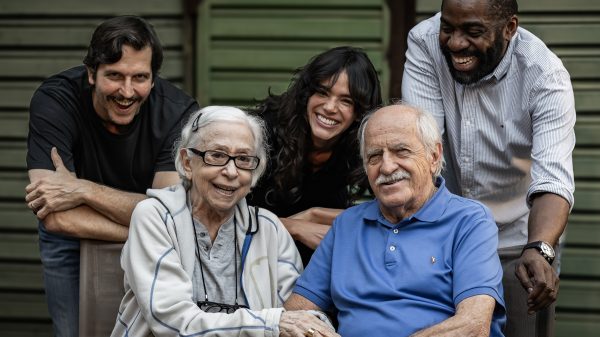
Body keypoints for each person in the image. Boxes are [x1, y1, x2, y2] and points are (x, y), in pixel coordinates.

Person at [401, 0, 575, 335]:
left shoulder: (545, 76)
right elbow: (423, 153)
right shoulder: (424, 42)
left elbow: (553, 178)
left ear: (510, 28)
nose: (455, 43)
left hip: (519, 240)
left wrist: (539, 248)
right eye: (448, 27)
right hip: (445, 231)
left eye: (473, 31)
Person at [24, 15, 199, 337]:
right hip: (70, 239)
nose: (127, 91)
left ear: (154, 77)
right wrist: (154, 224)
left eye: (140, 77)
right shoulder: (56, 101)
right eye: (115, 76)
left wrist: (83, 190)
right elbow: (54, 216)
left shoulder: (177, 112)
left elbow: (173, 215)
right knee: (77, 331)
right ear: (92, 73)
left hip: (147, 239)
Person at [110, 106, 338, 337]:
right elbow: (171, 320)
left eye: (243, 159)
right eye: (217, 155)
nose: (231, 171)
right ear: (188, 163)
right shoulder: (155, 217)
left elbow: (297, 310)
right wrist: (269, 323)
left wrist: (314, 325)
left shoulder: (269, 229)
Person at [285, 103, 506, 337]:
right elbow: (296, 312)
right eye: (374, 156)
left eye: (401, 151)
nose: (387, 167)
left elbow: (473, 326)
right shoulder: (347, 225)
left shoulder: (469, 221)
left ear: (434, 156)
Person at [249, 46, 382, 265]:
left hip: (313, 269)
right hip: (251, 260)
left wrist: (315, 214)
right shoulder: (261, 132)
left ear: (359, 113)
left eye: (346, 101)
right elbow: (223, 218)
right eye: (322, 92)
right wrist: (294, 227)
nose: (330, 107)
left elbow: (392, 211)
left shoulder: (360, 147)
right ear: (306, 94)